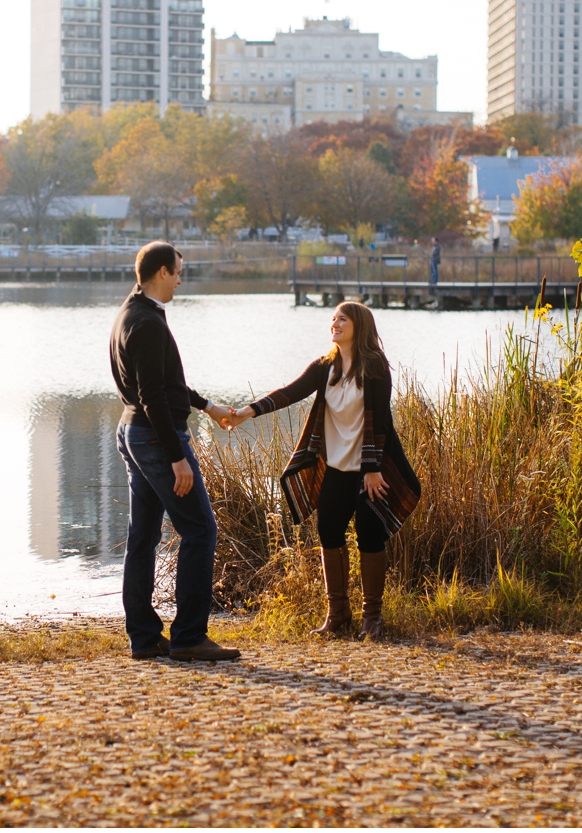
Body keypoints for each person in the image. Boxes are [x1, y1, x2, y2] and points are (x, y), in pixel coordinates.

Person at [220, 301, 422, 638]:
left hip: (370, 468)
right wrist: (246, 412)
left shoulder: (374, 367)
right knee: (329, 532)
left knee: (370, 537)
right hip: (337, 467)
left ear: (360, 325)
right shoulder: (325, 366)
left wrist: (372, 470)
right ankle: (338, 613)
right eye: (333, 319)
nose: (335, 323)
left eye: (342, 318)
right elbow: (289, 392)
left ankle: (372, 616)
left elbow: (380, 423)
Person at [110, 241, 242, 662]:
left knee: (143, 537)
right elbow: (152, 395)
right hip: (153, 438)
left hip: (134, 432)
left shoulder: (131, 314)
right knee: (201, 529)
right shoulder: (147, 323)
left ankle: (145, 638)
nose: (181, 280)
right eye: (179, 272)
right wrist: (176, 456)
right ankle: (188, 637)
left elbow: (165, 384)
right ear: (162, 272)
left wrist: (207, 406)